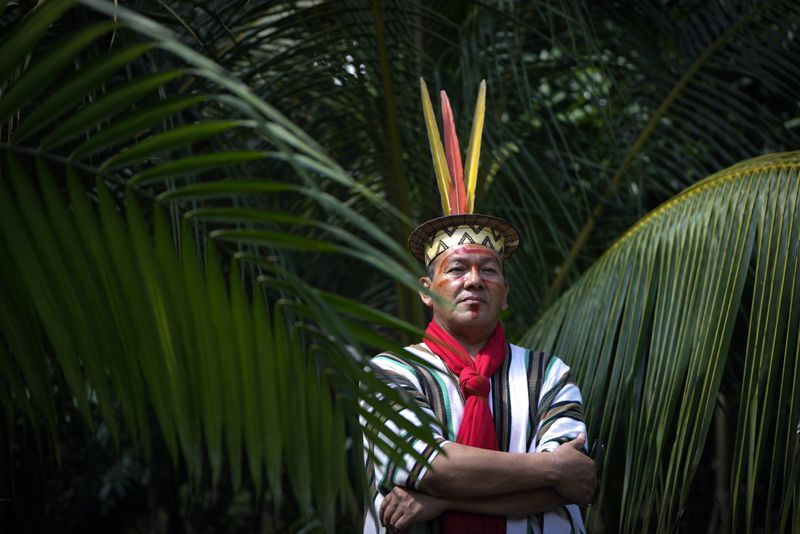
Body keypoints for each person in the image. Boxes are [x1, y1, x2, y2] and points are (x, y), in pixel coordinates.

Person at [361, 79, 596, 534]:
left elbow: (577, 483)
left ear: (506, 292)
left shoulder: (549, 374)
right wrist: (550, 470)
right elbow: (427, 465)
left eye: (489, 270)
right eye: (457, 269)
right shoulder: (390, 373)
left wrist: (435, 501)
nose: (474, 280)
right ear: (427, 291)